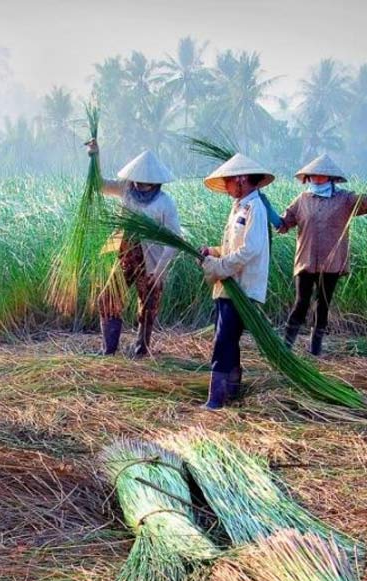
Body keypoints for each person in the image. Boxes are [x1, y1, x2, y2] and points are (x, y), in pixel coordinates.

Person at [278, 153, 367, 356]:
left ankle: (315, 350)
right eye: (314, 176)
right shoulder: (302, 200)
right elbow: (284, 223)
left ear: (331, 179)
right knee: (301, 303)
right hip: (306, 260)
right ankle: (285, 348)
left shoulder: (344, 199)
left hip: (332, 262)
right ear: (308, 178)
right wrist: (266, 209)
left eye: (322, 176)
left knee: (323, 305)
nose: (317, 179)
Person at [87, 141, 182, 357]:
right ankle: (108, 350)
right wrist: (95, 156)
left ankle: (141, 351)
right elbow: (99, 184)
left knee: (148, 306)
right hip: (126, 255)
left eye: (144, 183)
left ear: (155, 183)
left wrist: (159, 272)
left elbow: (174, 240)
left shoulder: (165, 203)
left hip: (151, 262)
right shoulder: (126, 190)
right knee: (108, 297)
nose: (139, 186)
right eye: (137, 181)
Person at [199, 154, 275, 410]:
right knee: (228, 340)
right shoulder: (239, 207)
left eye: (229, 182)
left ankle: (216, 399)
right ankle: (232, 390)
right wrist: (213, 251)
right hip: (229, 287)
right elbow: (233, 246)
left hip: (242, 287)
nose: (228, 188)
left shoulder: (256, 208)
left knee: (223, 340)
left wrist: (221, 267)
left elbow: (250, 249)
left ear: (241, 179)